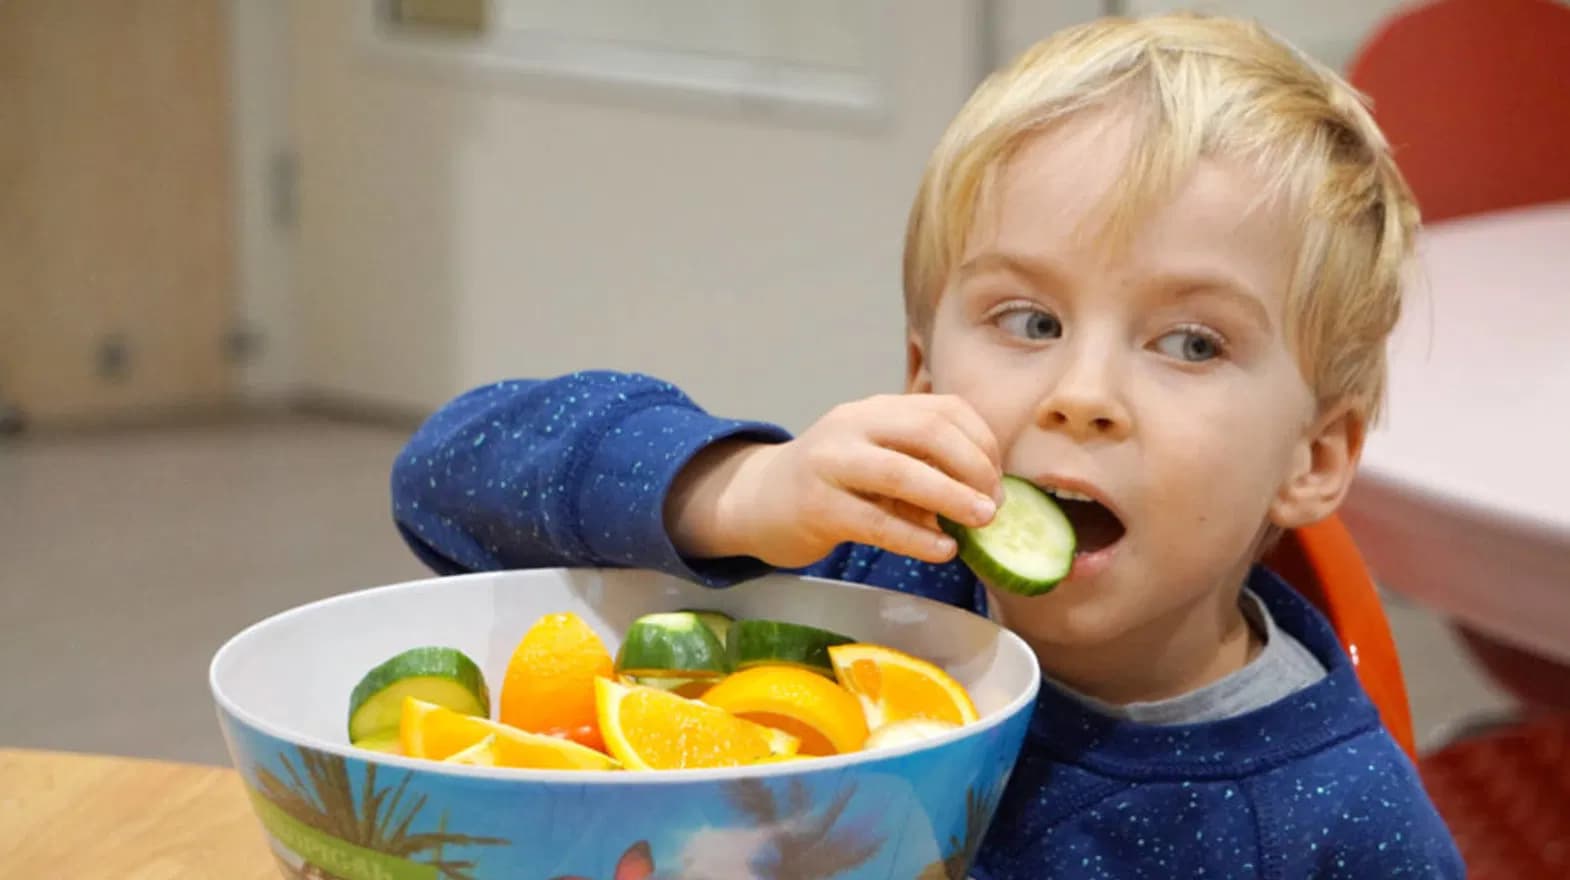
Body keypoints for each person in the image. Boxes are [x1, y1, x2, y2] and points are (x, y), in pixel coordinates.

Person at [389, 12, 1463, 878]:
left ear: (1312, 457)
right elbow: (443, 481)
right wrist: (735, 490)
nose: (1081, 396)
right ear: (922, 373)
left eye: (1190, 342)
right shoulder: (845, 572)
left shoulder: (1336, 820)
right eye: (1029, 322)